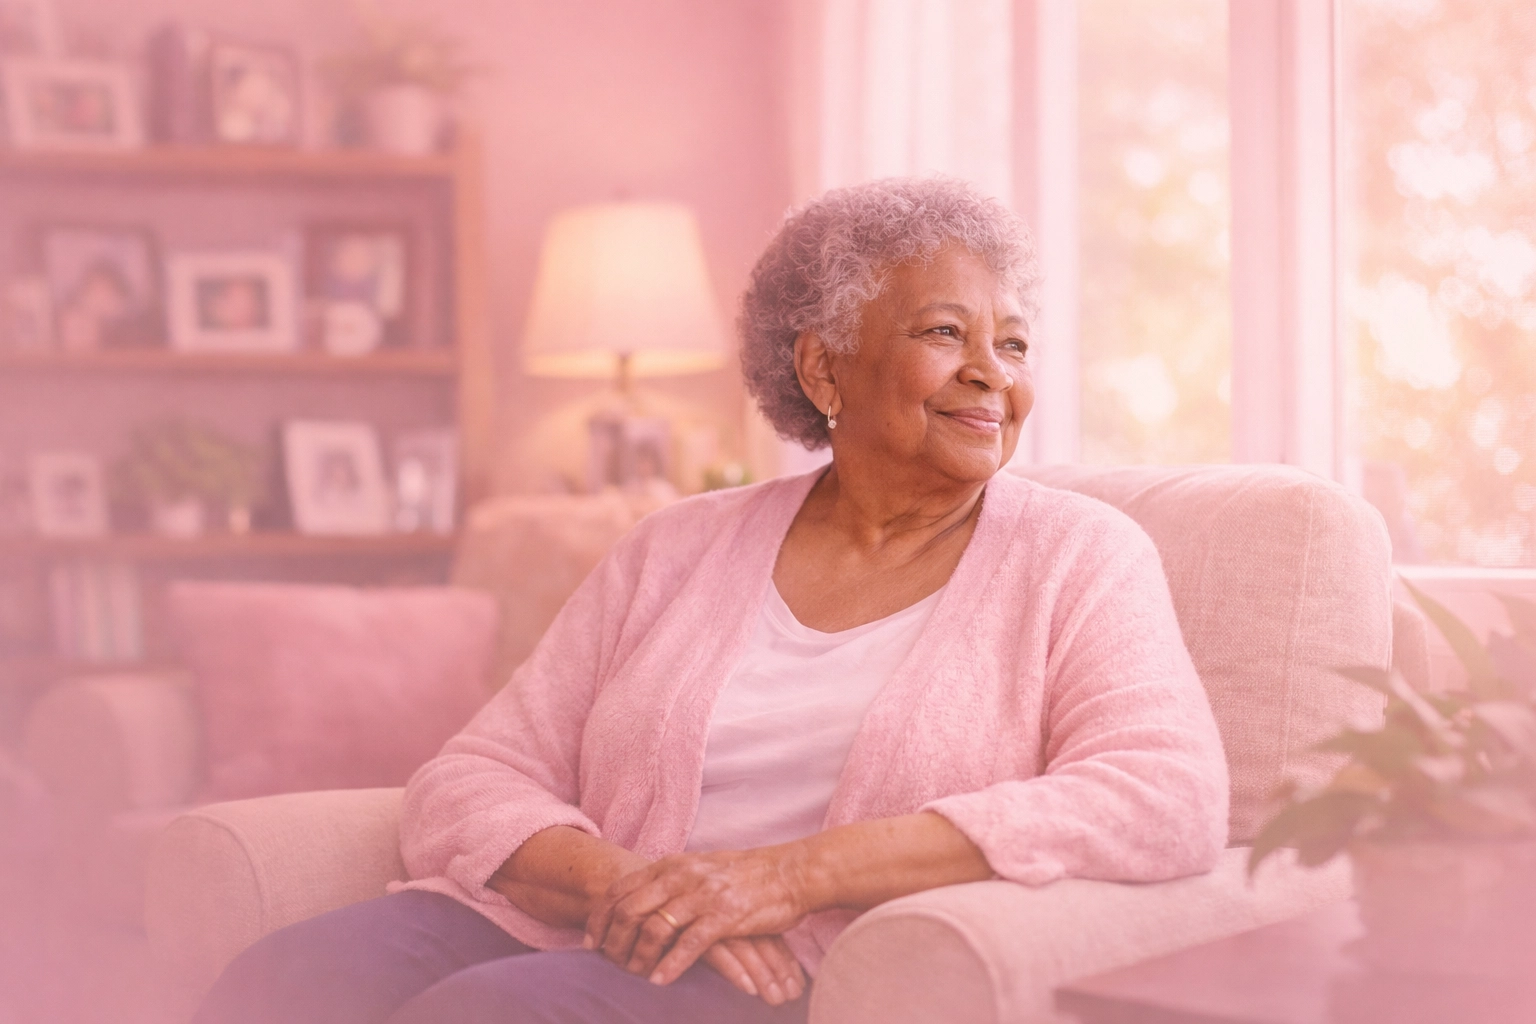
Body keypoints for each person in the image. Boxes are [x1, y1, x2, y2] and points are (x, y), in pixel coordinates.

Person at [194, 176, 1228, 1024]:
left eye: (1011, 343)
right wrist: (626, 886)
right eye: (946, 332)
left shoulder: (1081, 558)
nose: (990, 375)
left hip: (795, 967)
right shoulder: (678, 544)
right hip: (595, 919)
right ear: (824, 368)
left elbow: (1166, 794)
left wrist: (787, 879)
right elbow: (473, 775)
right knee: (275, 982)